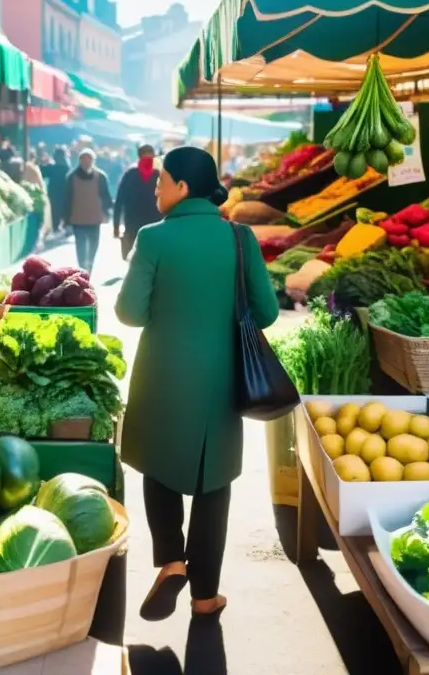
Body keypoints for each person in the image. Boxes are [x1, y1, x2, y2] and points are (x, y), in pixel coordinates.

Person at [115, 146, 279, 621]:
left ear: (183, 187)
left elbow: (129, 312)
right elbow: (266, 313)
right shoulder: (239, 237)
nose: (156, 186)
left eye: (162, 179)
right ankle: (205, 597)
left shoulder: (153, 238)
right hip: (222, 379)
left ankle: (171, 561)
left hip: (161, 376)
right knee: (215, 485)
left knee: (158, 467)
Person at [64, 148, 113, 273]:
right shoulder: (71, 177)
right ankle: (82, 268)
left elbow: (105, 196)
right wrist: (66, 218)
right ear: (79, 161)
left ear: (93, 161)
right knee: (80, 245)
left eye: (89, 159)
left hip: (94, 218)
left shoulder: (100, 177)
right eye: (84, 159)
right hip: (77, 218)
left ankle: (89, 265)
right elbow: (66, 198)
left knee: (93, 244)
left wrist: (107, 212)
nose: (87, 162)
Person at [113, 144, 161, 261]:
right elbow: (119, 201)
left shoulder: (131, 175)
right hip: (146, 224)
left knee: (138, 258)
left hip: (139, 223)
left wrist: (116, 226)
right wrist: (116, 225)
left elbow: (119, 201)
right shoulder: (157, 176)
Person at [43, 147, 69, 234]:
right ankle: (64, 225)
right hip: (64, 194)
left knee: (55, 211)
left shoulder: (53, 168)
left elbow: (42, 172)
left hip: (54, 194)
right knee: (63, 210)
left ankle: (56, 226)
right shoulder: (67, 168)